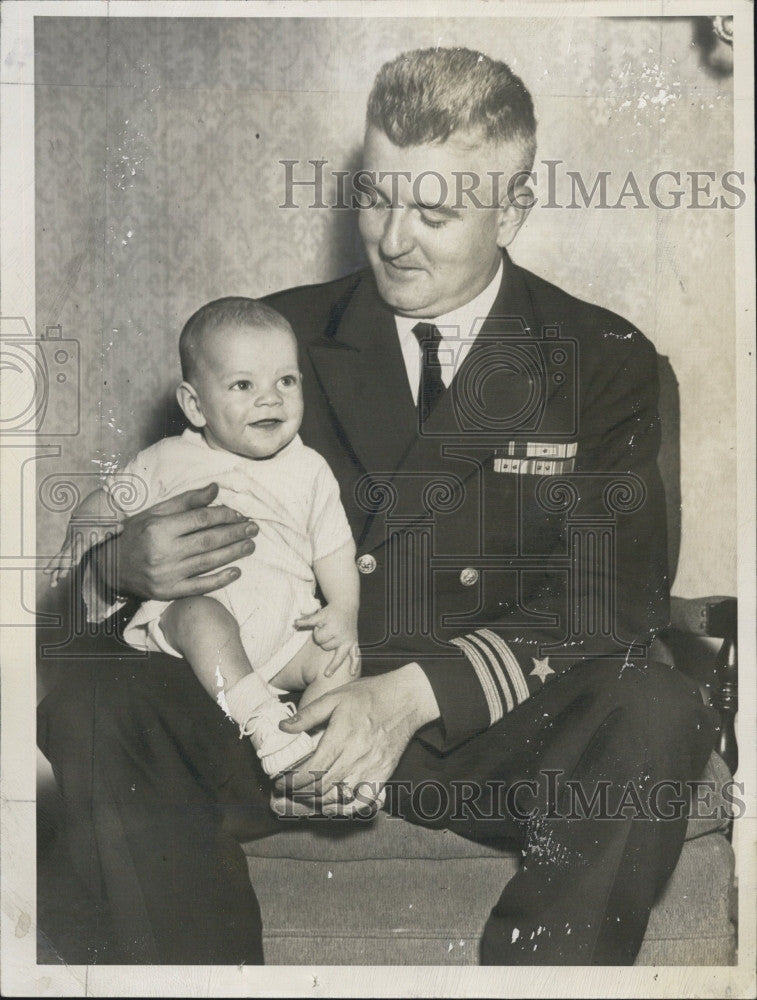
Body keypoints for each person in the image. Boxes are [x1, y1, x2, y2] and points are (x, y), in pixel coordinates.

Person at [38, 47, 717, 965]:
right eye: (376, 196)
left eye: (435, 211)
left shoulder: (606, 361)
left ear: (512, 209)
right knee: (95, 697)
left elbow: (613, 601)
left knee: (654, 706)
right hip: (269, 708)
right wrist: (115, 568)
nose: (393, 238)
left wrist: (403, 699)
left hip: (469, 734)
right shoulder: (266, 340)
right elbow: (84, 610)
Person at [45, 297, 362, 779]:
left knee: (339, 661)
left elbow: (335, 548)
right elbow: (108, 502)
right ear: (195, 405)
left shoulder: (310, 469)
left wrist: (344, 611)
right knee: (199, 615)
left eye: (286, 380)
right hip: (200, 631)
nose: (271, 398)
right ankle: (262, 721)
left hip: (286, 634)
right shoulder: (169, 458)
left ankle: (304, 763)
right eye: (243, 385)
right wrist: (80, 534)